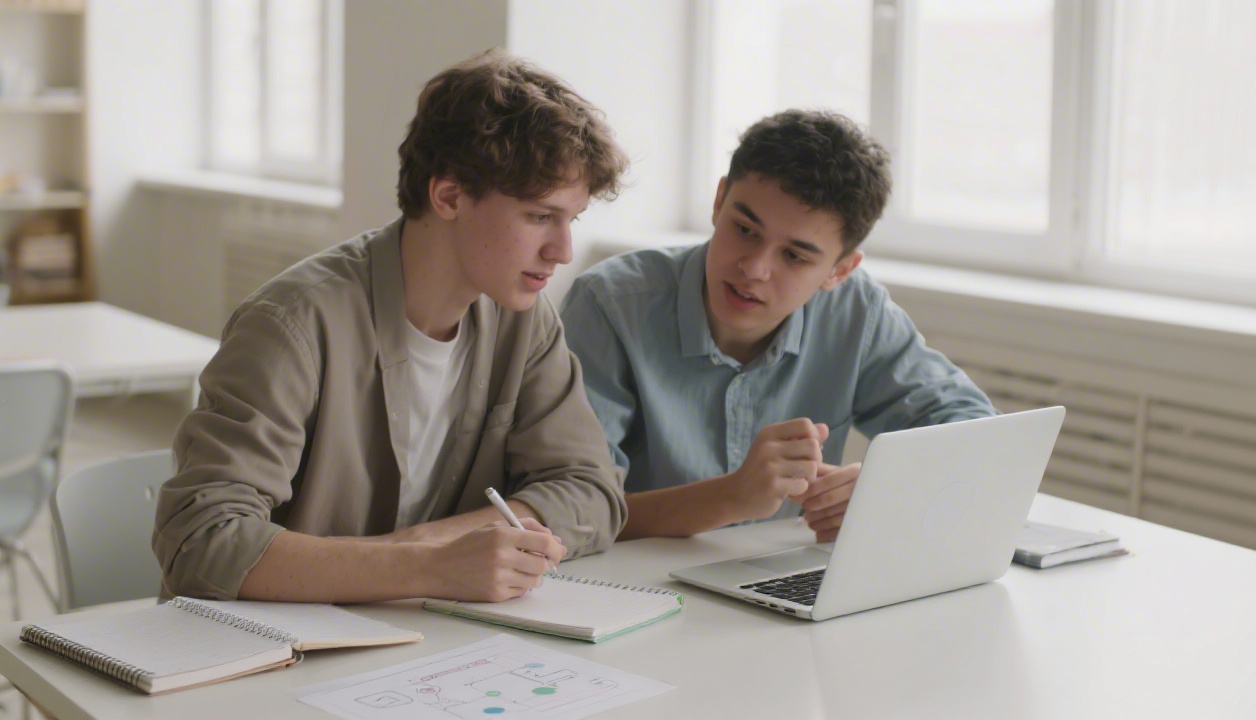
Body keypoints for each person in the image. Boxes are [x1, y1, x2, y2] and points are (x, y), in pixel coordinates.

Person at [153, 50, 630, 604]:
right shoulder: (292, 324)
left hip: (425, 637)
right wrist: (428, 565)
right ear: (449, 196)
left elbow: (593, 491)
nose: (563, 251)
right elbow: (201, 542)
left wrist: (437, 549)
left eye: (572, 220)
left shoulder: (526, 320)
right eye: (540, 216)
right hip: (267, 642)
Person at [560, 109, 994, 543]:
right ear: (719, 201)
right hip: (634, 580)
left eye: (794, 256)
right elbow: (574, 511)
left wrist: (887, 488)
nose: (754, 269)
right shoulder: (610, 304)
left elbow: (976, 431)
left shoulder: (857, 312)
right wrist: (731, 497)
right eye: (745, 229)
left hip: (784, 573)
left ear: (839, 271)